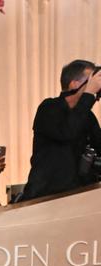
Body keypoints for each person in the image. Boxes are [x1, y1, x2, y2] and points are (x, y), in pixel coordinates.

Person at [20, 59, 101, 201]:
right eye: (91, 80)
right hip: (44, 198)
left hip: (79, 196)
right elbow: (67, 131)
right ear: (74, 84)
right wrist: (88, 94)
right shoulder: (49, 108)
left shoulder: (87, 116)